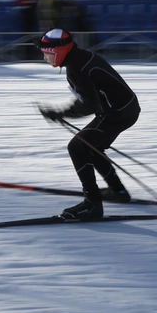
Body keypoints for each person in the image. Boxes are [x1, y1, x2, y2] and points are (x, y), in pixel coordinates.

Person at [34, 28, 141, 220]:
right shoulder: (79, 59)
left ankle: (92, 204)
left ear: (58, 51)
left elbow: (89, 104)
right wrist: (62, 113)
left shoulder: (76, 67)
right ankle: (119, 192)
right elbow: (89, 100)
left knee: (77, 147)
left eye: (47, 54)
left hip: (118, 113)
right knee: (93, 148)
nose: (45, 58)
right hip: (124, 109)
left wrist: (61, 113)